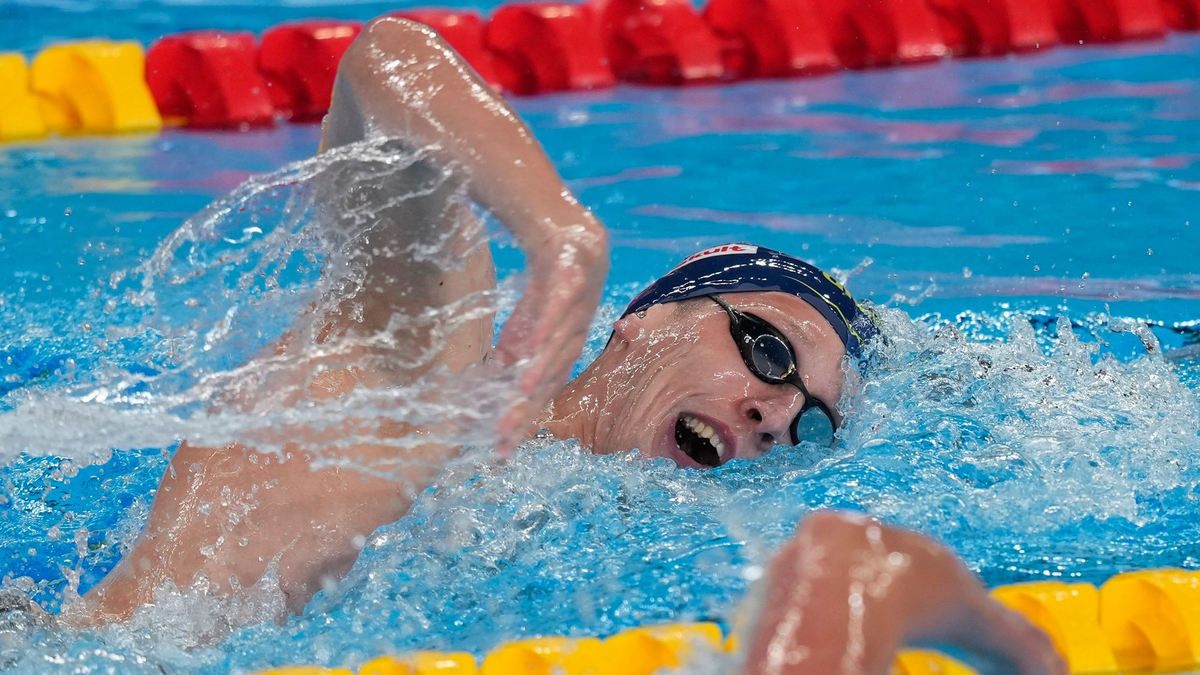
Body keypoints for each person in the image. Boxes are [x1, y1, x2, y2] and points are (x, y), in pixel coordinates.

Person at [45, 17, 1063, 675]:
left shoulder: (615, 556)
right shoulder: (426, 368)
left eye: (808, 425)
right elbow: (383, 63)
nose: (775, 411)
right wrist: (560, 236)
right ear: (644, 321)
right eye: (765, 351)